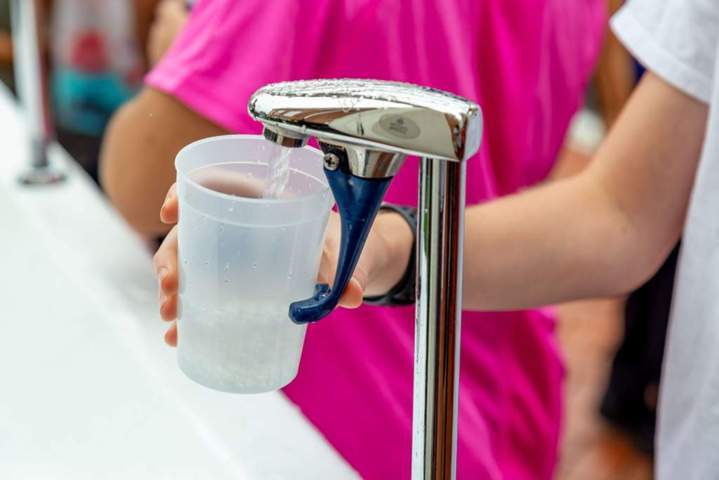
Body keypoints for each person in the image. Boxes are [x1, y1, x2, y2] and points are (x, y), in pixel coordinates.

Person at [156, 0, 717, 477]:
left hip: (362, 412)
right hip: (504, 393)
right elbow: (619, 211)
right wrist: (377, 244)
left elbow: (142, 168)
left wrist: (178, 42)